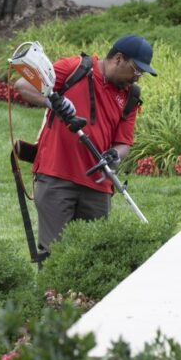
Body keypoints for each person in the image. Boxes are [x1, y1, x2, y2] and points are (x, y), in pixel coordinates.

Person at [14, 35, 157, 253]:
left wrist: (114, 156)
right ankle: (52, 290)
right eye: (136, 70)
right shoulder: (74, 68)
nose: (137, 78)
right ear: (118, 59)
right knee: (53, 255)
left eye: (142, 73)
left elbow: (123, 144)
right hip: (56, 177)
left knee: (93, 257)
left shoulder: (130, 96)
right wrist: (52, 102)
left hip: (98, 187)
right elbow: (23, 85)